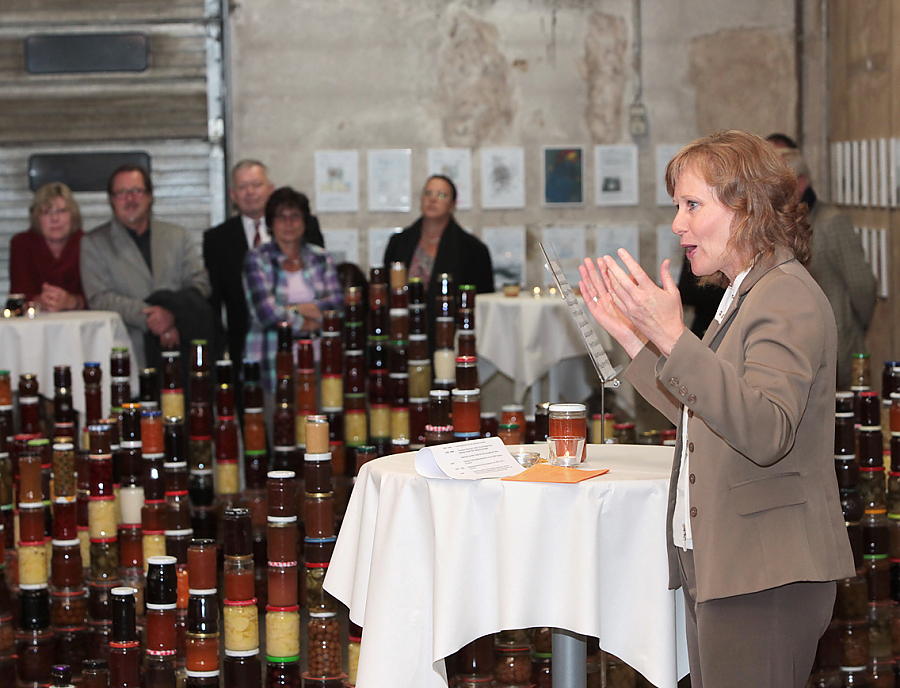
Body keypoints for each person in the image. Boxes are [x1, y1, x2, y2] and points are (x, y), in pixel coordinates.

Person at [579, 130, 853, 688]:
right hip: (730, 565)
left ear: (745, 207)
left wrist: (674, 337)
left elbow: (765, 428)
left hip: (767, 574)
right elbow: (707, 415)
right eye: (677, 206)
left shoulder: (786, 296)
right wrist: (640, 341)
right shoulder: (747, 291)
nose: (678, 224)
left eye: (692, 204)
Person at [80, 164, 213, 371]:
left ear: (150, 196)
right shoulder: (94, 243)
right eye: (122, 193)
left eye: (137, 191)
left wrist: (172, 313)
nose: (130, 199)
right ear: (111, 200)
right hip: (128, 353)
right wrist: (153, 318)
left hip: (182, 350)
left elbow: (200, 283)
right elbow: (100, 298)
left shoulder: (177, 236)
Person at [203, 160, 325, 369]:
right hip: (247, 350)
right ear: (232, 195)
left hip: (305, 345)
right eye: (242, 187)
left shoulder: (304, 227)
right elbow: (214, 303)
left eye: (256, 185)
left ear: (270, 189)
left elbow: (319, 288)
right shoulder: (217, 239)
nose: (250, 192)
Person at [778, 147, 877, 389]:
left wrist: (850, 328)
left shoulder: (831, 222)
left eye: (780, 186)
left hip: (837, 349)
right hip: (799, 350)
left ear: (800, 184)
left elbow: (862, 286)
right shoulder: (783, 225)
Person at [243, 186, 342, 395]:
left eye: (295, 216)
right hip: (273, 363)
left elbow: (337, 306)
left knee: (320, 426)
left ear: (305, 221)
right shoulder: (257, 259)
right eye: (281, 217)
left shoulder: (322, 257)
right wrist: (310, 325)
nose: (288, 223)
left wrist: (291, 308)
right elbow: (267, 314)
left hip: (320, 361)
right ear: (270, 223)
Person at [383, 174, 494, 348]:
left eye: (441, 195)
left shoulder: (473, 250)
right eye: (428, 193)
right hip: (403, 339)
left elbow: (481, 306)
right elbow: (386, 294)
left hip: (449, 341)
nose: (432, 199)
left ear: (453, 205)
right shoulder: (398, 243)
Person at [9, 182, 86, 311]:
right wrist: (38, 302)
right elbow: (18, 296)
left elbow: (97, 297)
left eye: (61, 211)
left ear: (73, 215)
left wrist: (73, 301)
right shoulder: (21, 244)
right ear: (36, 218)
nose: (54, 218)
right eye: (46, 212)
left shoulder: (87, 243)